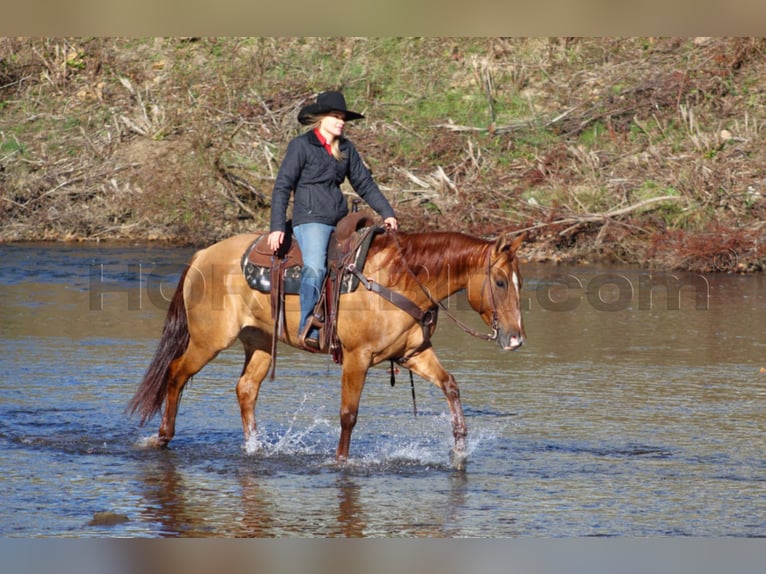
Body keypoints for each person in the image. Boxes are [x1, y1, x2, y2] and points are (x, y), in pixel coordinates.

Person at [267, 91, 398, 350]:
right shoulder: (301, 146)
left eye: (343, 118)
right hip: (310, 219)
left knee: (367, 262)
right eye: (335, 116)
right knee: (315, 267)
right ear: (321, 119)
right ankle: (308, 325)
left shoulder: (346, 148)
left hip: (340, 219)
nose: (341, 121)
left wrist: (388, 212)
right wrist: (276, 227)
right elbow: (282, 186)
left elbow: (365, 184)